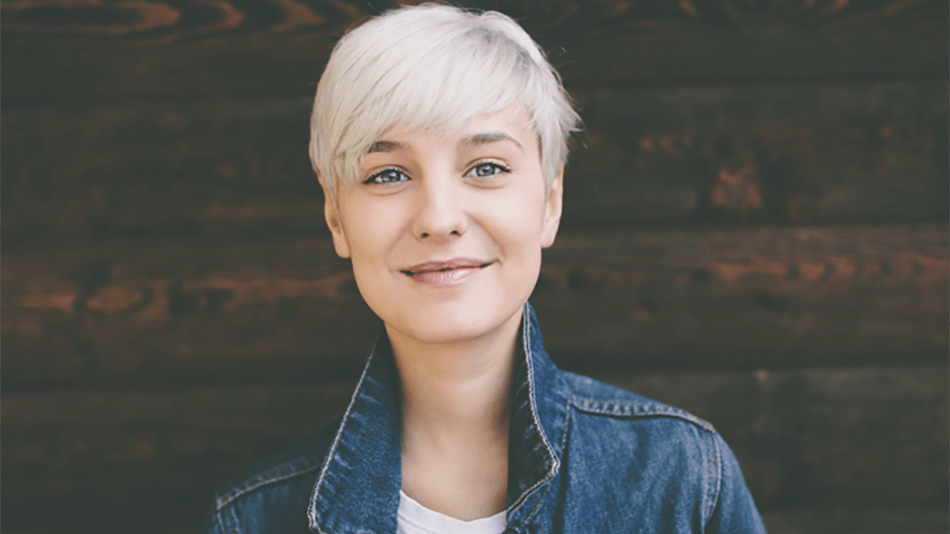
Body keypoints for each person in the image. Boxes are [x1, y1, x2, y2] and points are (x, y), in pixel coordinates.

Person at [204, 4, 767, 533]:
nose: (439, 219)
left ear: (550, 202)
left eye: (487, 167)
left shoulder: (683, 478)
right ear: (336, 217)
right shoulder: (253, 519)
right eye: (388, 174)